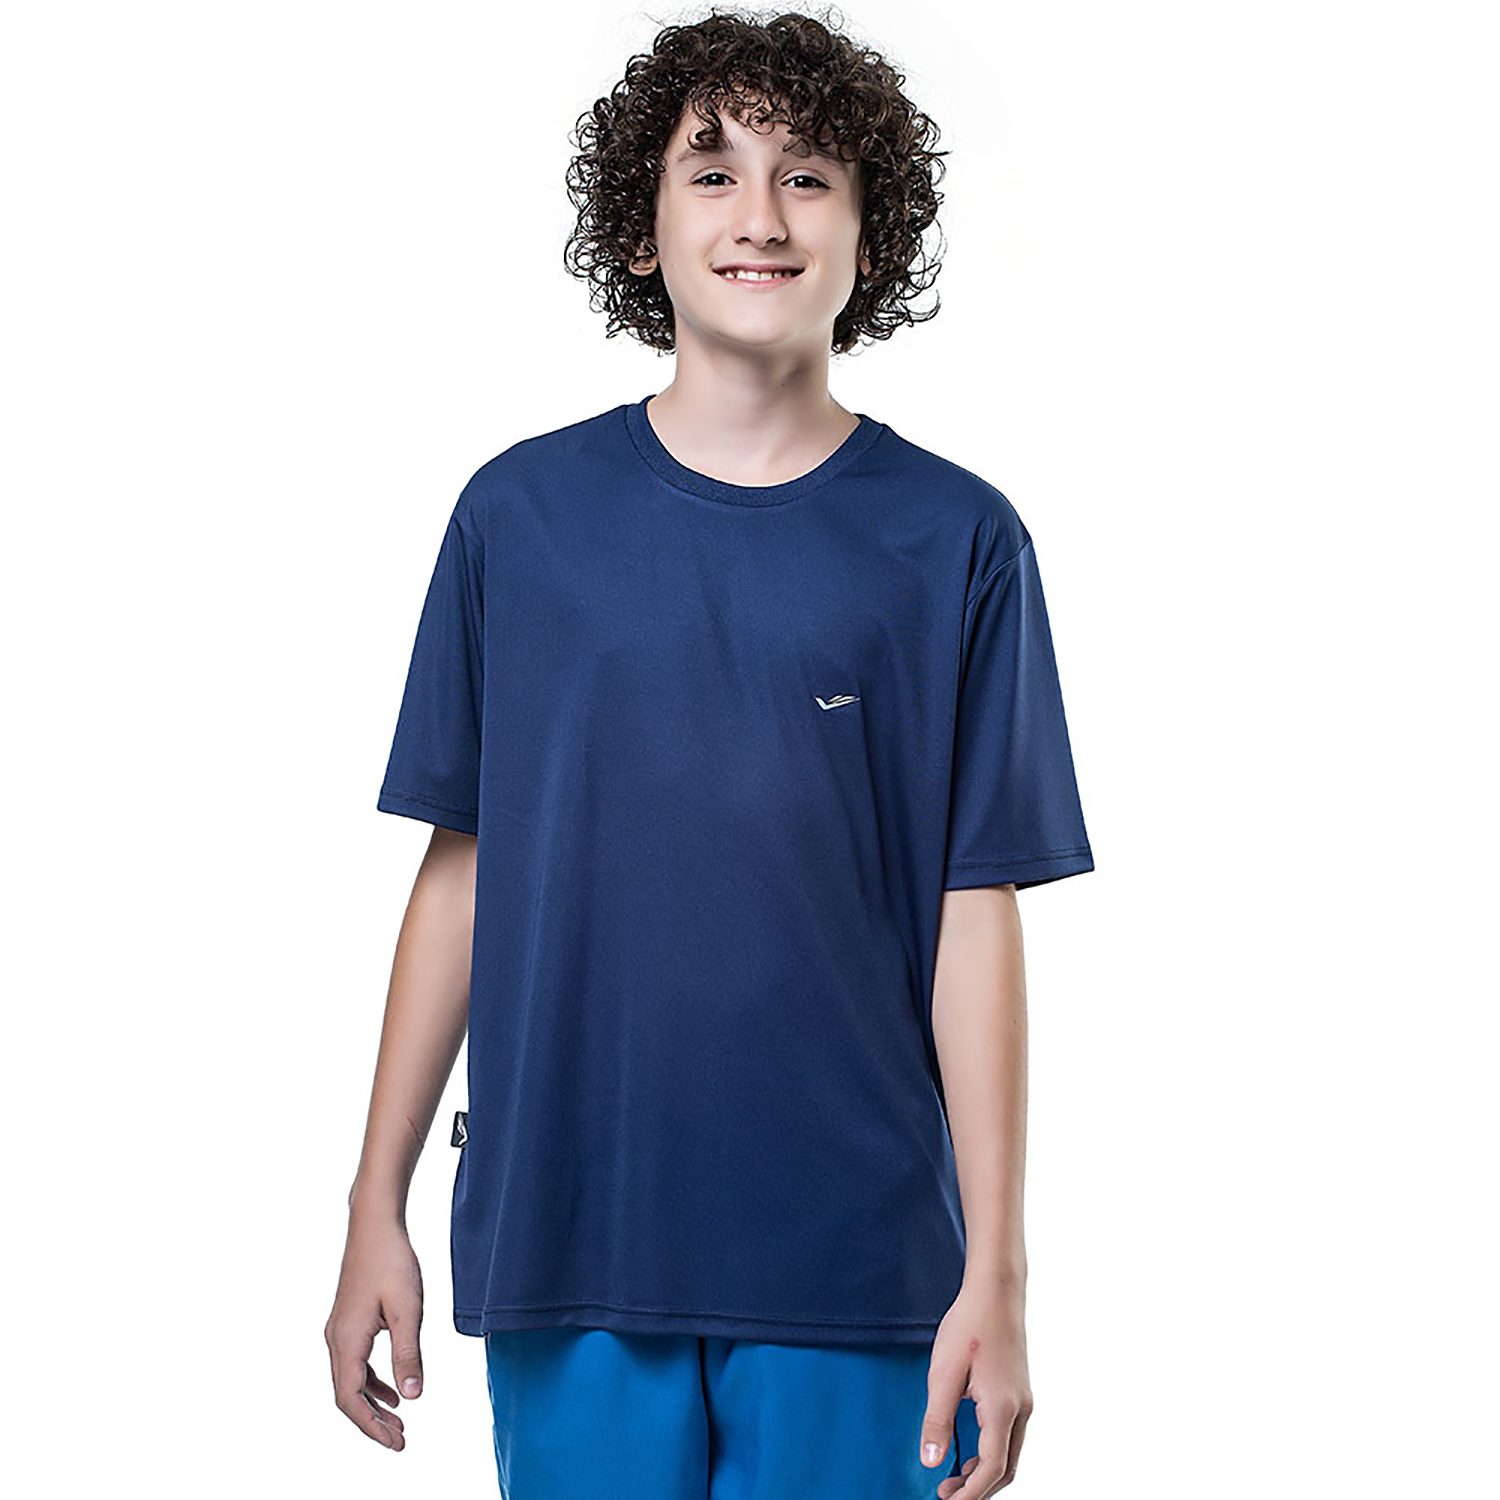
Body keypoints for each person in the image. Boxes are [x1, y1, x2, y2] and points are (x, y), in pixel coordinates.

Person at [325, 10, 1094, 1498]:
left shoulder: (957, 542)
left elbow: (976, 909)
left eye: (808, 177)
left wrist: (997, 1272)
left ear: (871, 231)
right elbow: (462, 872)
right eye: (714, 172)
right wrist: (375, 1201)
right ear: (643, 226)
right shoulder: (518, 520)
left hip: (858, 1258)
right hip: (570, 1233)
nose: (761, 216)